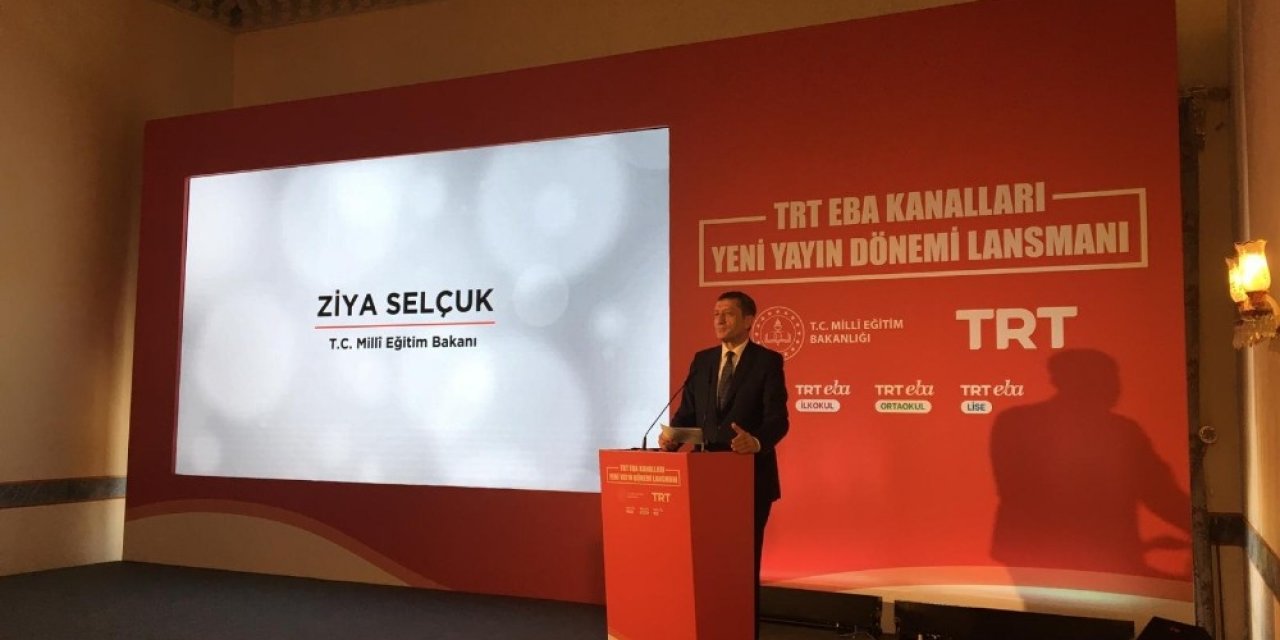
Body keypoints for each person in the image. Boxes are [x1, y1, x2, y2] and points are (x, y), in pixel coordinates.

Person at [660, 290, 789, 633]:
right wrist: (673, 438)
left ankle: (742, 629)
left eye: (727, 313)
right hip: (703, 483)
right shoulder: (702, 360)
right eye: (716, 313)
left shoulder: (767, 362)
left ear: (748, 320)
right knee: (706, 563)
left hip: (749, 481)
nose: (719, 319)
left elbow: (778, 420)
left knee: (742, 564)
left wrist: (755, 441)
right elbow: (688, 413)